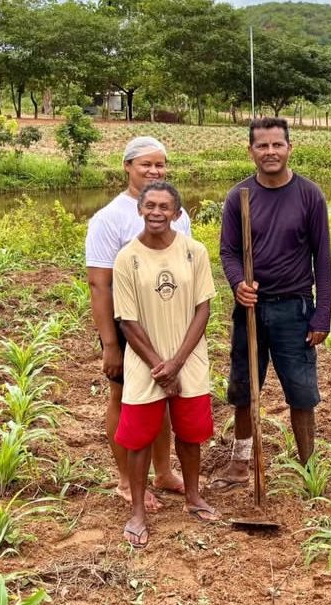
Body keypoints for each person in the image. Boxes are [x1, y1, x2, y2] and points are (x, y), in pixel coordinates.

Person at [216, 117, 331, 487]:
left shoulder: (309, 194)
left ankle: (308, 464)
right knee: (244, 386)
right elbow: (229, 251)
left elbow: (323, 258)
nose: (270, 152)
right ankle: (240, 462)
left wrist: (321, 315)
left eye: (277, 145)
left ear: (289, 148)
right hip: (250, 308)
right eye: (262, 146)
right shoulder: (240, 197)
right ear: (250, 151)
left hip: (294, 308)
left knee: (301, 390)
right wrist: (238, 283)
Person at [85, 136, 192, 512]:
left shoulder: (178, 213)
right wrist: (111, 344)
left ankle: (163, 472)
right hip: (126, 326)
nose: (154, 171)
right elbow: (99, 284)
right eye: (146, 164)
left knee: (162, 396)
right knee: (124, 396)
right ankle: (127, 481)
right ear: (127, 166)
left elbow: (186, 268)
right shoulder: (109, 219)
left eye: (160, 165)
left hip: (169, 324)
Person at [113, 180, 217, 546]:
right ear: (140, 209)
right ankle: (138, 511)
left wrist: (178, 362)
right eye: (150, 206)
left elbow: (203, 308)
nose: (157, 212)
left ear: (176, 212)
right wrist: (161, 366)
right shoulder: (127, 258)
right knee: (139, 438)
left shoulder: (194, 251)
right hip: (146, 361)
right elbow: (127, 320)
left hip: (188, 356)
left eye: (164, 207)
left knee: (190, 433)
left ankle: (192, 497)